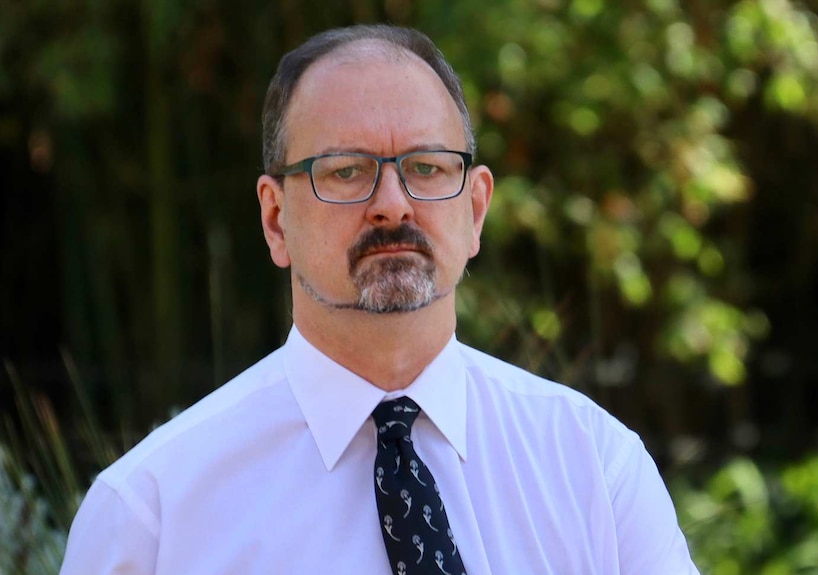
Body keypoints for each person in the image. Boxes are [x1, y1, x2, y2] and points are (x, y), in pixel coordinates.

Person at [60, 24, 700, 574]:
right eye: (345, 170)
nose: (392, 203)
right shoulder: (154, 515)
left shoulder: (591, 465)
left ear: (475, 209)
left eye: (426, 167)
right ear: (276, 219)